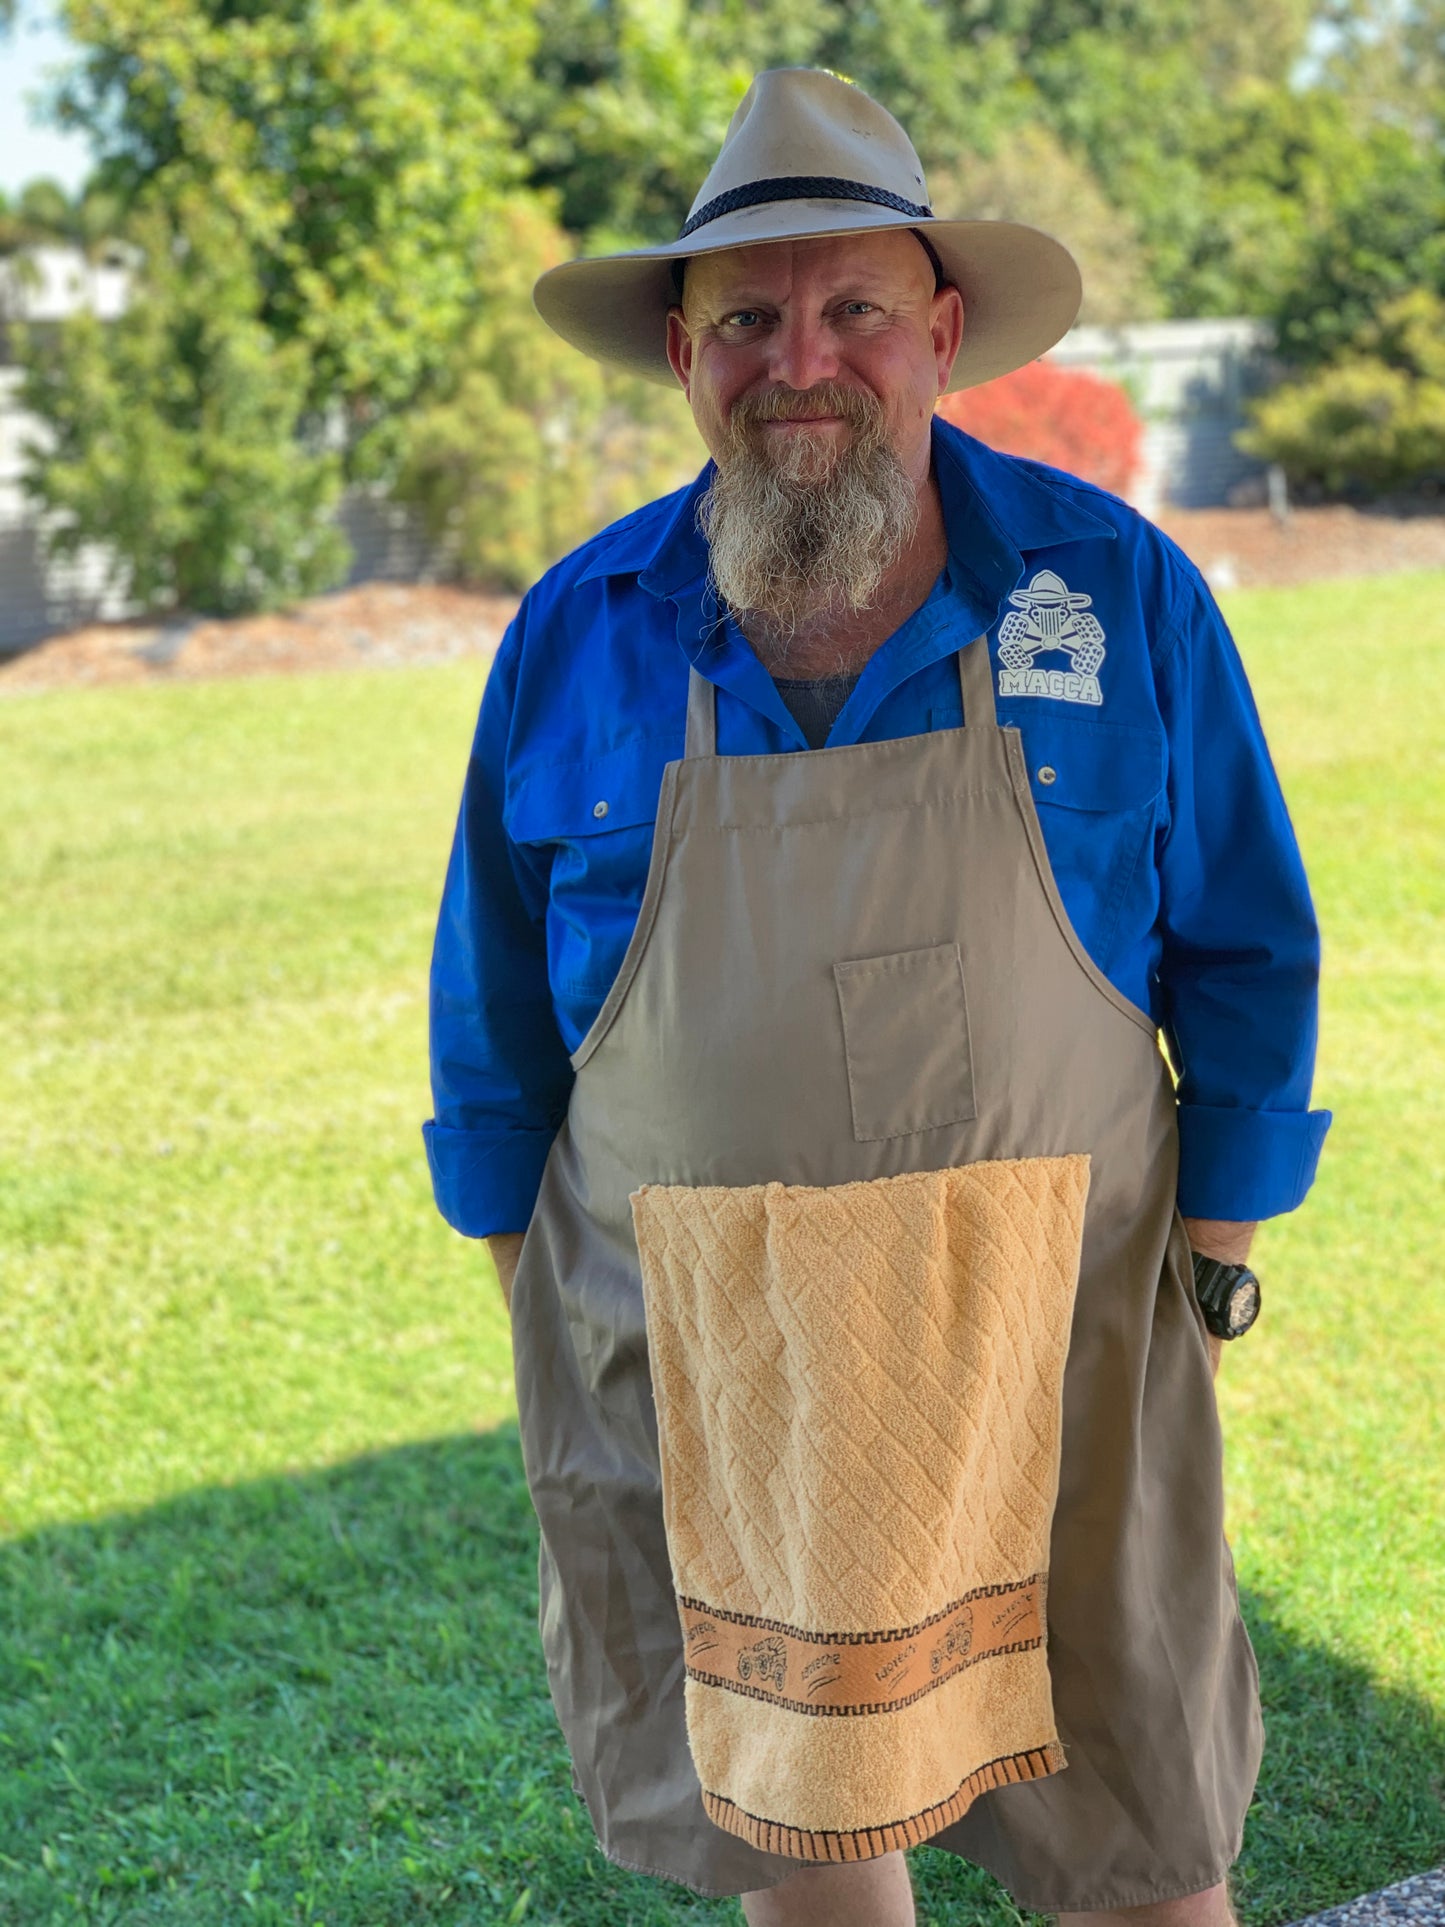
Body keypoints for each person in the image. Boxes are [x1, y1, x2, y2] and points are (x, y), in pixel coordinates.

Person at [423, 67, 1331, 1927]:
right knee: (809, 1849)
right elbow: (493, 1016)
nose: (800, 361)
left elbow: (1244, 944)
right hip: (714, 1369)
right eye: (748, 316)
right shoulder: (574, 633)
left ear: (939, 334)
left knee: (1141, 1846)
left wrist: (1218, 1250)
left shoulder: (1115, 595)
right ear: (683, 353)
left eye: (851, 309)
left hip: (1053, 1356)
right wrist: (550, 1309)